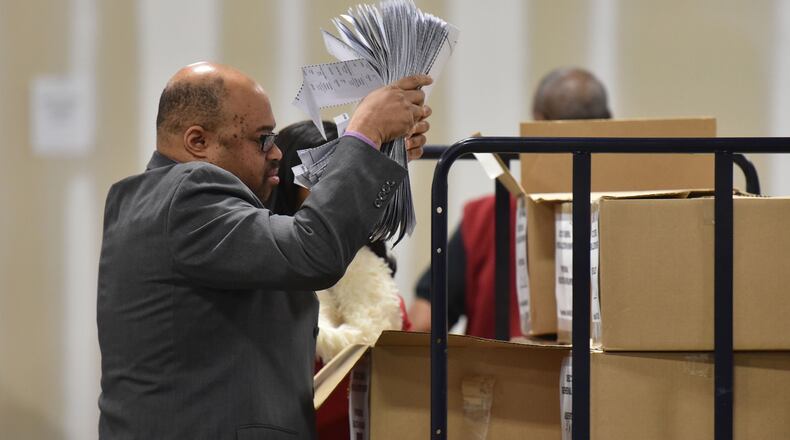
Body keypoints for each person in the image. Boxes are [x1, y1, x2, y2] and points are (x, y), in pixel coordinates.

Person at [97, 61, 431, 439]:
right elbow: (311, 250)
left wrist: (375, 158)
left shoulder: (154, 199)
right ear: (197, 142)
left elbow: (288, 240)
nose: (276, 154)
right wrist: (365, 135)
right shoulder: (190, 192)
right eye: (262, 139)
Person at [408, 66, 610, 336]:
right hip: (604, 377)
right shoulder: (633, 217)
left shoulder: (485, 217)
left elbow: (423, 323)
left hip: (501, 374)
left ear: (536, 124)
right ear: (610, 122)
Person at [269, 120, 410, 439]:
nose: (338, 191)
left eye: (346, 177)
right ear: (288, 182)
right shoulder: (270, 271)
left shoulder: (373, 268)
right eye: (320, 176)